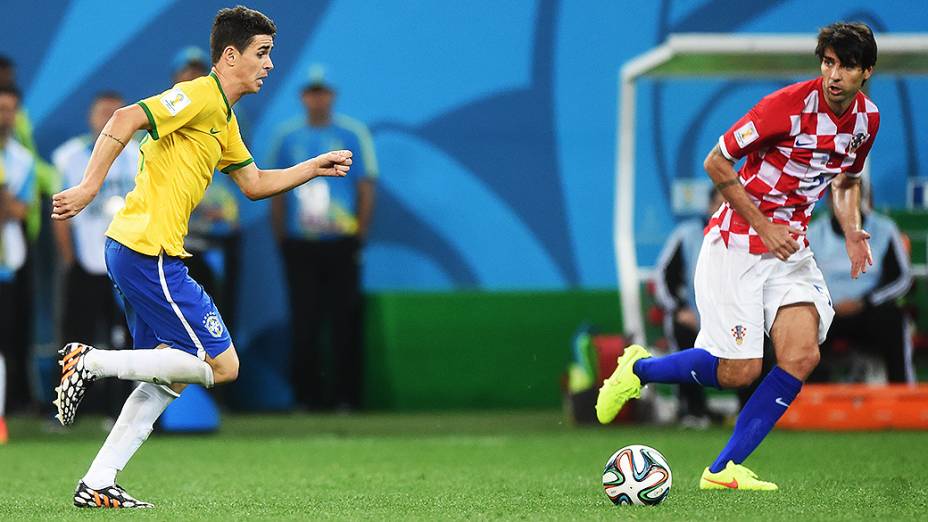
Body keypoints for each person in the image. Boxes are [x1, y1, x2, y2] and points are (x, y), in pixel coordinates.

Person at [50, 6, 352, 508]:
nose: (270, 64)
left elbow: (253, 185)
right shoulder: (198, 95)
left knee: (168, 378)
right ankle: (91, 361)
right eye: (262, 53)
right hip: (148, 252)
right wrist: (88, 186)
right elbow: (126, 118)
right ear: (230, 56)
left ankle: (98, 482)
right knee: (224, 366)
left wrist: (311, 167)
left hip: (139, 250)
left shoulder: (224, 118)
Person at [597, 22, 879, 491]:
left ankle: (721, 469)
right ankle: (638, 369)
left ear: (865, 72)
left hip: (788, 249)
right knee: (738, 371)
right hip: (736, 245)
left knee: (802, 355)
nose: (834, 74)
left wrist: (851, 229)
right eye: (828, 62)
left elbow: (846, 179)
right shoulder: (784, 107)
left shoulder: (866, 120)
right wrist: (764, 226)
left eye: (846, 66)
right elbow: (716, 161)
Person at [269, 64, 377, 411]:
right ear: (303, 97)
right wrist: (283, 239)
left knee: (345, 320)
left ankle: (347, 398)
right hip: (301, 245)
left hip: (341, 242)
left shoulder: (352, 134)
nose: (318, 99)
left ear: (332, 96)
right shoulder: (287, 137)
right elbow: (277, 190)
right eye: (312, 92)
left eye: (323, 92)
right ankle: (306, 399)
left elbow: (365, 187)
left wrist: (358, 235)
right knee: (304, 322)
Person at [51, 91, 138, 417]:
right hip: (86, 261)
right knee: (77, 337)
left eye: (115, 112)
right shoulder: (69, 157)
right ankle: (69, 409)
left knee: (125, 338)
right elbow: (59, 211)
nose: (109, 118)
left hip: (125, 264)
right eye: (103, 112)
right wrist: (69, 260)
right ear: (91, 117)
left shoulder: (138, 154)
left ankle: (119, 407)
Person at [807, 186, 914, 383]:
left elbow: (902, 278)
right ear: (829, 200)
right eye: (839, 196)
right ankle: (809, 401)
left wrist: (866, 301)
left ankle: (903, 396)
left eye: (852, 196)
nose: (845, 203)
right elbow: (801, 279)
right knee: (803, 326)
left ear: (862, 199)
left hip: (869, 310)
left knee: (894, 321)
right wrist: (827, 304)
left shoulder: (885, 229)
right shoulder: (812, 234)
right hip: (828, 313)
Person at [172, 46, 243, 336]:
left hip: (220, 236)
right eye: (187, 72)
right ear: (176, 77)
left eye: (199, 71)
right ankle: (179, 381)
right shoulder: (166, 114)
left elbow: (245, 173)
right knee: (179, 322)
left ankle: (220, 381)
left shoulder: (226, 114)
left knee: (221, 320)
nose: (194, 77)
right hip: (180, 238)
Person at [652, 188, 725, 428]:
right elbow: (664, 276)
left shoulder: (748, 236)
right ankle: (693, 411)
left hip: (733, 318)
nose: (727, 208)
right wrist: (679, 308)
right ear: (709, 206)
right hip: (693, 316)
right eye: (721, 202)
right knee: (682, 334)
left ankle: (751, 413)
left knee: (760, 343)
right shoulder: (687, 235)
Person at [0, 84, 36, 445]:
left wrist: (3, 193)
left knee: (5, 341)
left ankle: (2, 417)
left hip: (5, 262)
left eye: (10, 109)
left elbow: (18, 211)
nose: (4, 116)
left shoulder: (22, 160)